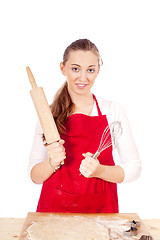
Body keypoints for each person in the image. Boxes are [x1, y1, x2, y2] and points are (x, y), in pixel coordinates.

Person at [28, 39, 141, 213]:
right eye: (75, 69)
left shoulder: (112, 110)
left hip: (101, 211)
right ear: (62, 68)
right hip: (54, 213)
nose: (83, 77)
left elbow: (134, 167)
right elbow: (34, 176)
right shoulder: (48, 114)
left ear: (98, 71)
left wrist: (101, 171)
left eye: (90, 70)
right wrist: (51, 162)